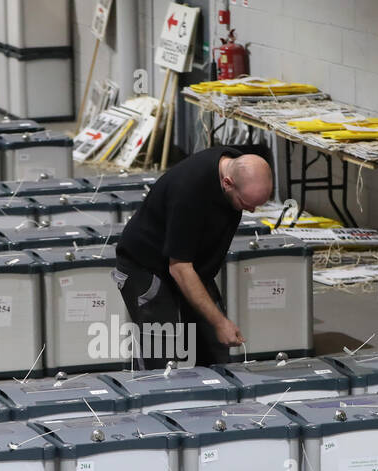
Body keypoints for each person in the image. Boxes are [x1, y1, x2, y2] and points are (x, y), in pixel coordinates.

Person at [112, 147, 274, 368]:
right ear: (227, 183)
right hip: (147, 265)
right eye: (246, 205)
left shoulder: (236, 162)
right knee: (163, 357)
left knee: (215, 349)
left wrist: (217, 323)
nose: (253, 211)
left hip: (192, 266)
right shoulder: (189, 191)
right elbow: (179, 268)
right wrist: (220, 322)